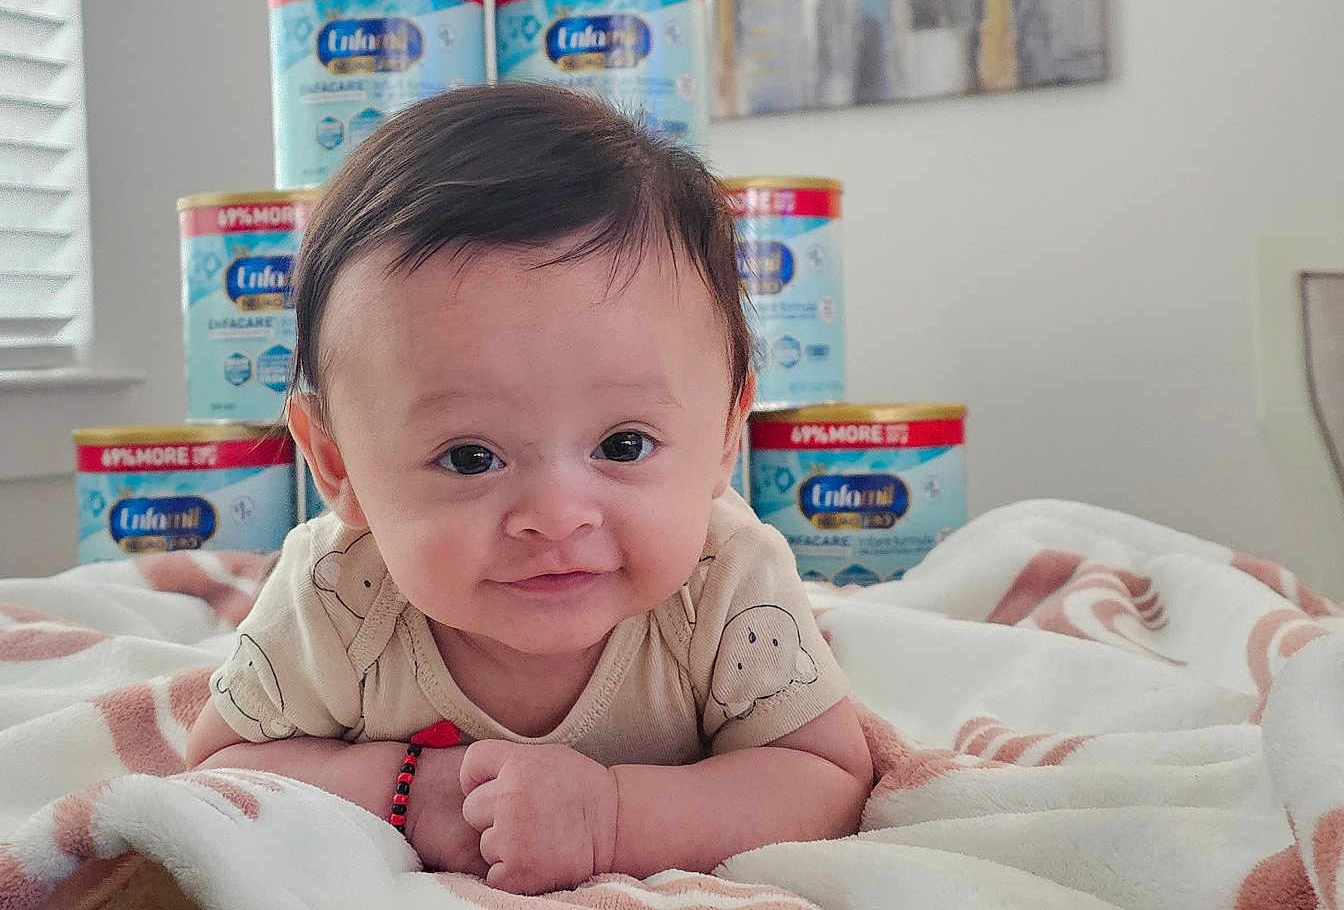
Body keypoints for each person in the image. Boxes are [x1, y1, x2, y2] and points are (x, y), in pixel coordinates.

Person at [184, 83, 873, 895]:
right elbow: (222, 764)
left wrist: (610, 817)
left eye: (624, 445)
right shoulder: (338, 596)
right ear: (337, 467)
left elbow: (826, 776)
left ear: (726, 433)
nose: (555, 517)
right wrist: (415, 794)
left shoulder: (728, 583)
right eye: (470, 458)